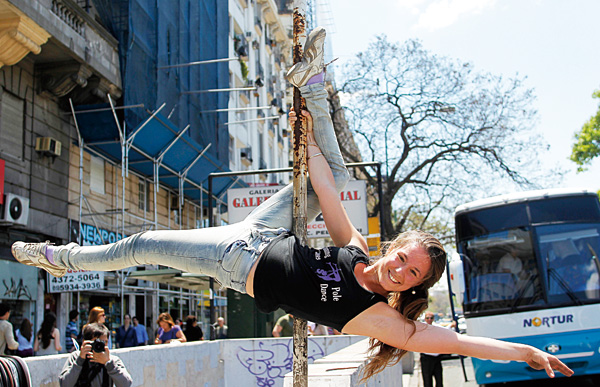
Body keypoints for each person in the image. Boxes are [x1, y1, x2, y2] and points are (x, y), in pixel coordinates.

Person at [11, 26, 573, 381]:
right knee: (335, 174)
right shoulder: (354, 248)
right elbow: (322, 182)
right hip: (264, 229)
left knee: (139, 246)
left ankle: (58, 260)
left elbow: (452, 339)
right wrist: (308, 127)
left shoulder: (380, 317)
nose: (400, 269)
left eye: (411, 274)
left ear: (410, 288)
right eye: (405, 257)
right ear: (397, 247)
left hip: (235, 260)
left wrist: (523, 354)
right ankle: (315, 81)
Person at [59, 323, 132, 387]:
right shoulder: (76, 357)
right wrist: (80, 360)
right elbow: (65, 384)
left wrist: (108, 364)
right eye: (97, 342)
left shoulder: (112, 360)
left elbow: (126, 384)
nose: (100, 346)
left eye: (104, 342)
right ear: (86, 342)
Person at [420, 312, 445, 387]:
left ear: (433, 319)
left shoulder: (436, 328)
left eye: (431, 318)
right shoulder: (421, 329)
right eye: (428, 318)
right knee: (427, 382)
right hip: (426, 359)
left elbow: (445, 331)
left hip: (436, 358)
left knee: (439, 381)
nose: (429, 320)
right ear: (425, 319)